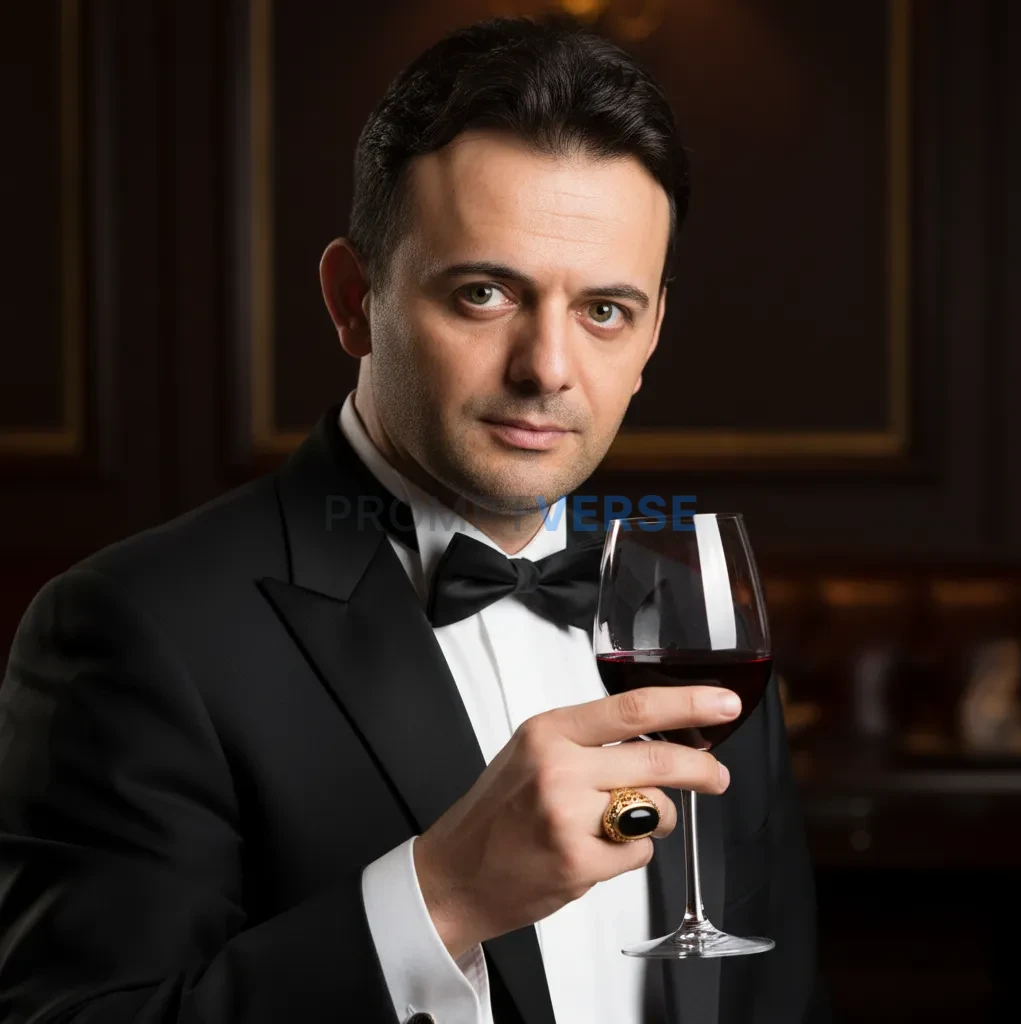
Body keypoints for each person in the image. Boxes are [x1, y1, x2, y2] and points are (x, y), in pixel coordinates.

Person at [0, 15, 827, 1024]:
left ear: (651, 331)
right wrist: (439, 896)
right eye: (483, 293)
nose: (548, 368)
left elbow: (768, 997)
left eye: (603, 310)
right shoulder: (131, 628)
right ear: (354, 300)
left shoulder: (693, 622)